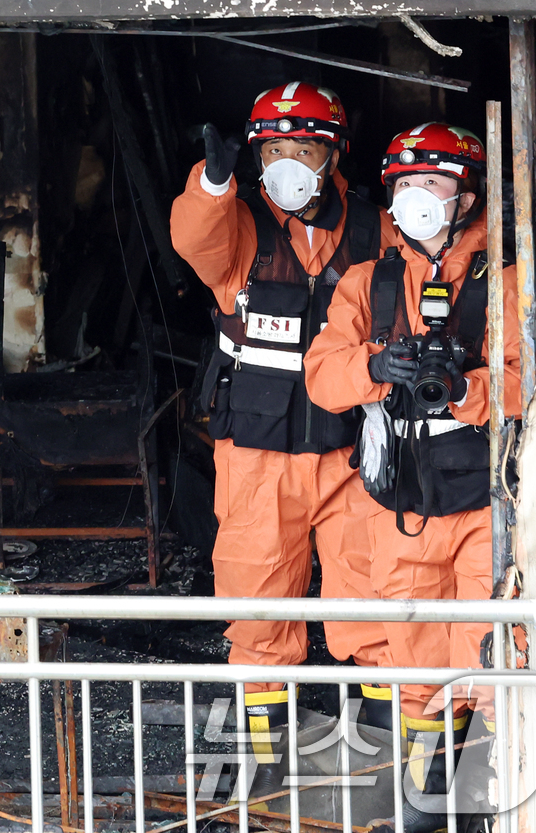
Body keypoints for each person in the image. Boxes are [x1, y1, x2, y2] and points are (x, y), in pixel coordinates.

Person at [170, 82, 397, 779]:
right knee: (258, 606)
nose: (286, 163)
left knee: (374, 598)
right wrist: (212, 184)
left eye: (302, 147)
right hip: (257, 454)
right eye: (272, 150)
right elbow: (193, 239)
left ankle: (384, 768)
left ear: (334, 154)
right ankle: (267, 773)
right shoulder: (236, 226)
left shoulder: (375, 229)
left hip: (354, 449)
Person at [304, 122, 518, 832]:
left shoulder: (504, 281)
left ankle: (499, 797)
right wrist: (373, 365)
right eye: (405, 183)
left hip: (486, 500)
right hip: (401, 500)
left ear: (467, 197)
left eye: (433, 182)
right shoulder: (369, 283)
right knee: (418, 663)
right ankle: (427, 804)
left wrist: (465, 388)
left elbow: (533, 383)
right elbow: (321, 378)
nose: (416, 197)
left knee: (491, 656)